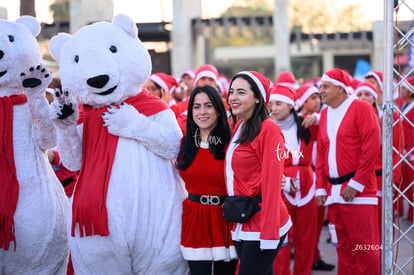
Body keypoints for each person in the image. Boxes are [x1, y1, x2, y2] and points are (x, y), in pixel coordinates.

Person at [315, 68, 381, 274]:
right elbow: (322, 152)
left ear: (341, 89)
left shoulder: (361, 108)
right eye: (320, 87)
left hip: (359, 193)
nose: (321, 91)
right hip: (334, 194)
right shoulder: (324, 113)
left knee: (366, 248)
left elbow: (371, 147)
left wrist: (357, 182)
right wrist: (320, 188)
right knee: (343, 248)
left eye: (326, 86)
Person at [226, 71, 292, 275]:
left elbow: (273, 185)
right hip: (243, 217)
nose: (233, 97)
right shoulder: (240, 125)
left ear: (257, 98)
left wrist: (269, 234)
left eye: (241, 92)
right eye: (231, 91)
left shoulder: (269, 130)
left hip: (263, 222)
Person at [176, 85, 237, 275]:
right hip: (194, 218)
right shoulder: (184, 143)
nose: (202, 111)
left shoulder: (232, 145)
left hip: (225, 218)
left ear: (219, 110)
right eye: (196, 106)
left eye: (208, 106)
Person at [268, 84, 318, 275]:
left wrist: (318, 117)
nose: (273, 108)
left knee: (306, 239)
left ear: (290, 105)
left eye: (278, 103)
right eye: (271, 104)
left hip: (307, 186)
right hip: (279, 187)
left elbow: (331, 120)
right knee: (281, 240)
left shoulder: (306, 124)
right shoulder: (267, 127)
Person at [355, 81, 403, 231]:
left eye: (367, 94)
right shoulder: (352, 120)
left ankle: (380, 254)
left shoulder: (387, 117)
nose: (363, 98)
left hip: (380, 180)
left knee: (381, 226)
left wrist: (394, 178)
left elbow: (396, 150)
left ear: (376, 97)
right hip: (357, 182)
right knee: (362, 228)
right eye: (360, 94)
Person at [400, 76, 414, 222]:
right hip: (405, 151)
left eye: (404, 88)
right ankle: (411, 213)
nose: (401, 90)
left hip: (411, 152)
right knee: (408, 186)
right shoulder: (404, 106)